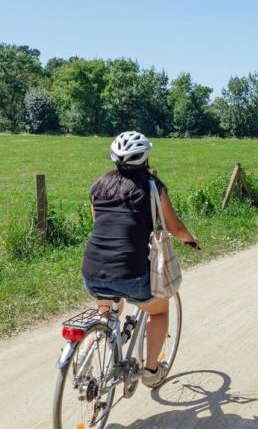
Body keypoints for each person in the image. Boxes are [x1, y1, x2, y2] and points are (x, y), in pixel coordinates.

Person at [82, 131, 199, 388]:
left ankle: (86, 355)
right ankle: (151, 370)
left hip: (93, 270)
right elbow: (174, 227)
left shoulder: (99, 186)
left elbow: (98, 224)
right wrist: (189, 238)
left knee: (107, 310)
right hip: (131, 273)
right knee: (159, 311)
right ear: (146, 158)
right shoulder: (152, 187)